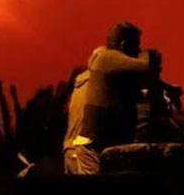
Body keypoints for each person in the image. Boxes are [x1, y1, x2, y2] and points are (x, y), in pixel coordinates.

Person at [63, 21, 157, 175]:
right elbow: (145, 67)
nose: (137, 50)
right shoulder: (108, 59)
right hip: (87, 145)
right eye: (136, 46)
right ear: (123, 44)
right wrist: (147, 54)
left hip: (75, 147)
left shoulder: (94, 77)